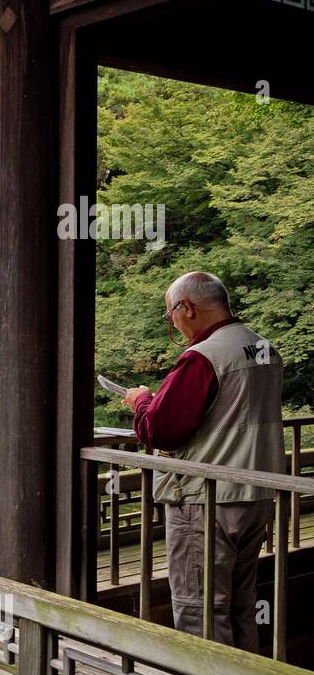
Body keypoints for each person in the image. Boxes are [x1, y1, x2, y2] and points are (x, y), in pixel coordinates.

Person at [121, 271, 283, 652]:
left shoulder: (202, 357)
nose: (173, 324)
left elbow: (160, 430)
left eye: (170, 315)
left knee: (200, 609)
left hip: (206, 500)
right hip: (256, 492)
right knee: (241, 603)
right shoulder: (262, 346)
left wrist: (141, 401)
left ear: (186, 308)